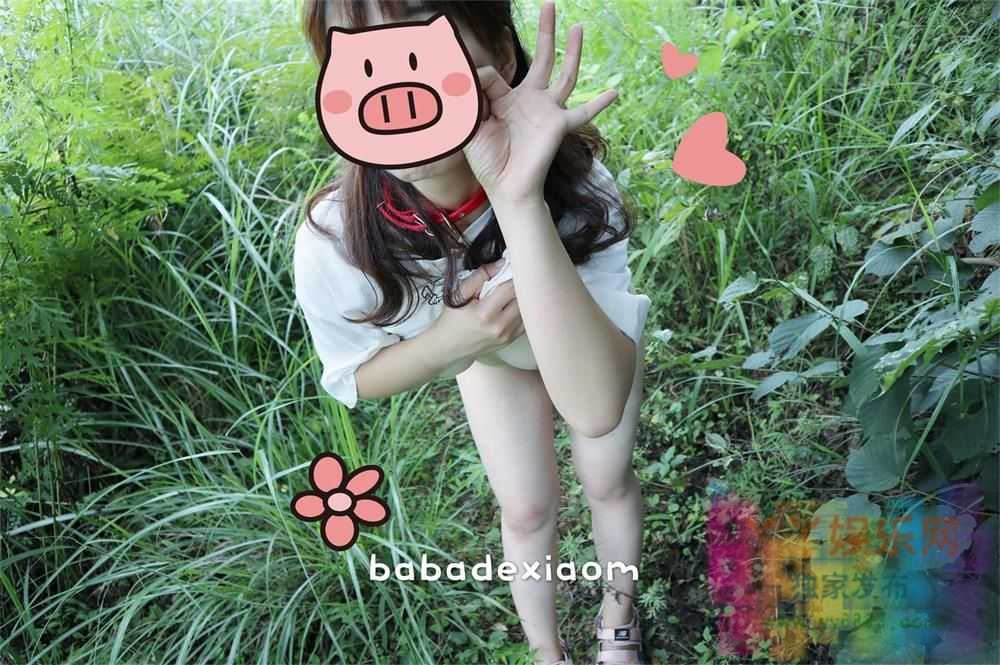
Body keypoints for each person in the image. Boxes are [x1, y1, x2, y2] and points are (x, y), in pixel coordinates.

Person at [296, 2, 651, 663]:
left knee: (607, 478)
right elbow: (353, 377)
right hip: (489, 359)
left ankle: (618, 619)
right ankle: (545, 652)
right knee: (524, 509)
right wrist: (458, 339)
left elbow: (597, 405)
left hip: (590, 341)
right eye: (361, 52)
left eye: (420, 36)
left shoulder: (575, 187)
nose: (395, 86)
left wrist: (518, 199)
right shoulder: (336, 238)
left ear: (500, 54)